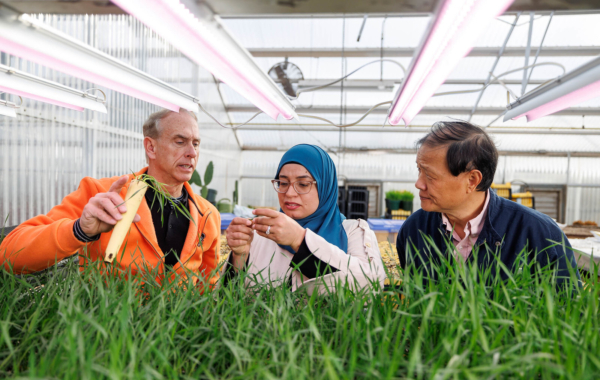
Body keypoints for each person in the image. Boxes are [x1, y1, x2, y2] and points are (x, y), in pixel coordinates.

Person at [1, 108, 221, 287]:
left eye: (196, 143)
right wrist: (79, 230)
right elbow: (9, 254)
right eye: (180, 142)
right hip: (110, 331)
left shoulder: (208, 215)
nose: (192, 153)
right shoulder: (102, 195)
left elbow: (208, 286)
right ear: (151, 147)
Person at [396, 121, 581, 287]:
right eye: (419, 170)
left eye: (429, 175)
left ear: (472, 180)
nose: (418, 183)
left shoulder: (539, 233)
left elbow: (568, 312)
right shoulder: (414, 230)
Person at [223, 144, 385, 294]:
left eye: (303, 184)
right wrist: (240, 257)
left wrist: (300, 240)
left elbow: (371, 287)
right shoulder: (260, 235)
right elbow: (228, 299)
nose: (290, 193)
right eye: (283, 183)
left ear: (324, 186)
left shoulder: (352, 232)